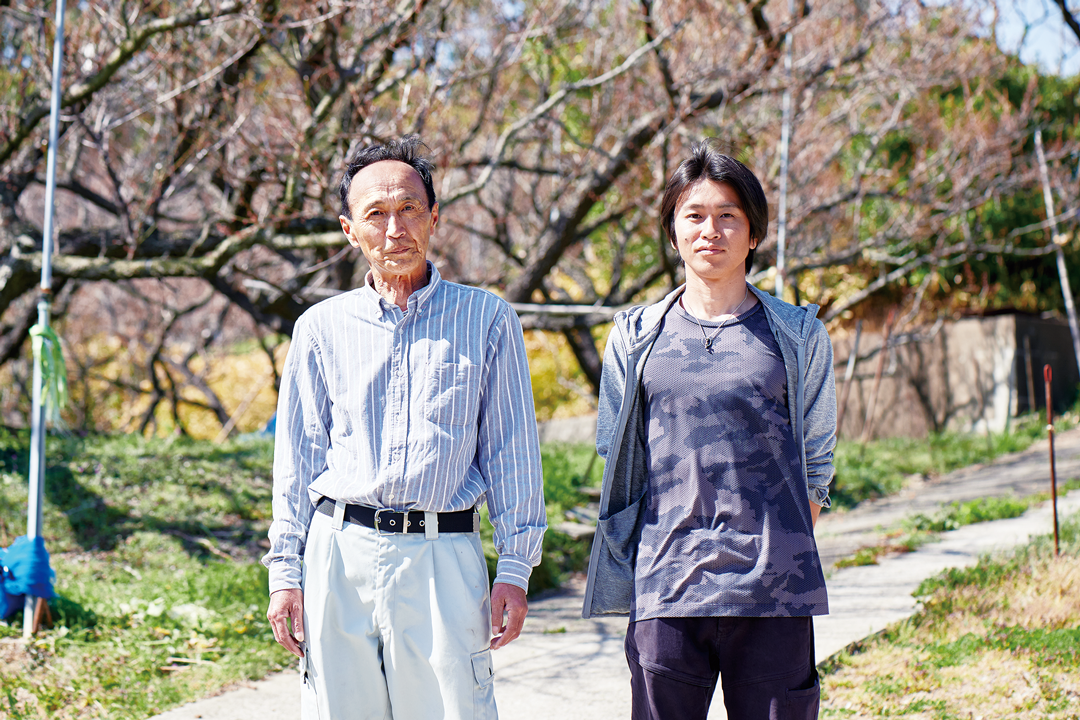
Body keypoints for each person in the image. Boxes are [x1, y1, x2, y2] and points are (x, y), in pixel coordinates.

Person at [264, 135, 546, 720]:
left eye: (409, 209)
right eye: (376, 214)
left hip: (442, 555)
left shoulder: (488, 318)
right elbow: (297, 458)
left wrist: (516, 568)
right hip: (339, 553)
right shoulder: (320, 328)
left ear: (434, 218)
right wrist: (284, 572)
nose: (395, 228)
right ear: (350, 230)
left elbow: (512, 452)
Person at [582, 140, 836, 720]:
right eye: (694, 216)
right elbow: (617, 451)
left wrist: (777, 544)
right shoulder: (634, 336)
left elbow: (817, 459)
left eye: (728, 216)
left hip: (774, 589)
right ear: (673, 234)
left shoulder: (797, 334)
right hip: (666, 585)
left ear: (753, 233)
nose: (710, 231)